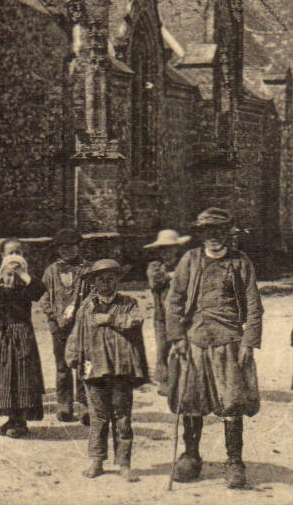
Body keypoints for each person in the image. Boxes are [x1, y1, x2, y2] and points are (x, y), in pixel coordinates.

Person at [165, 207, 263, 489]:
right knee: (191, 400)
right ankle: (191, 455)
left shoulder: (240, 262)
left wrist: (249, 340)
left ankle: (234, 462)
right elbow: (174, 301)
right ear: (201, 235)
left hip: (229, 343)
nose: (213, 237)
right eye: (208, 232)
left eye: (219, 231)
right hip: (195, 342)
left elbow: (254, 304)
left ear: (228, 234)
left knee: (232, 402)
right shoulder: (190, 260)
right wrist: (179, 339)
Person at [64, 259, 148, 482]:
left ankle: (124, 463)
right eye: (101, 279)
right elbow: (75, 335)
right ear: (94, 282)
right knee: (98, 418)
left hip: (120, 370)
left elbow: (135, 322)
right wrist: (72, 357)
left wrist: (110, 319)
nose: (106, 283)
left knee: (122, 417)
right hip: (94, 369)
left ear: (118, 280)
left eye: (111, 278)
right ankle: (97, 460)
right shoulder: (86, 308)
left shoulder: (129, 303)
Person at [0, 252, 47, 438]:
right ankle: (11, 418)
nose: (12, 278)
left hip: (22, 339)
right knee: (4, 378)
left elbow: (40, 290)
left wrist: (24, 275)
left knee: (22, 377)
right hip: (2, 340)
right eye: (9, 274)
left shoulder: (24, 292)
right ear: (1, 275)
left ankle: (20, 422)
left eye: (16, 275)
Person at [39, 228, 90, 423]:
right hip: (59, 327)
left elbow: (94, 296)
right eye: (62, 248)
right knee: (62, 365)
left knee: (84, 364)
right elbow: (44, 296)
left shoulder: (87, 270)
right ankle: (64, 403)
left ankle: (85, 404)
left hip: (82, 326)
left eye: (71, 247)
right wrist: (52, 317)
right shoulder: (51, 271)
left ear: (79, 247)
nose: (66, 251)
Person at [144, 228, 191, 380]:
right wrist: (174, 276)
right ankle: (163, 379)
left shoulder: (185, 264)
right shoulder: (155, 266)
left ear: (177, 249)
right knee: (162, 348)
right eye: (163, 250)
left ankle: (184, 377)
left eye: (171, 249)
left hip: (181, 313)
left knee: (184, 344)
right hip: (162, 316)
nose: (167, 254)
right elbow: (156, 281)